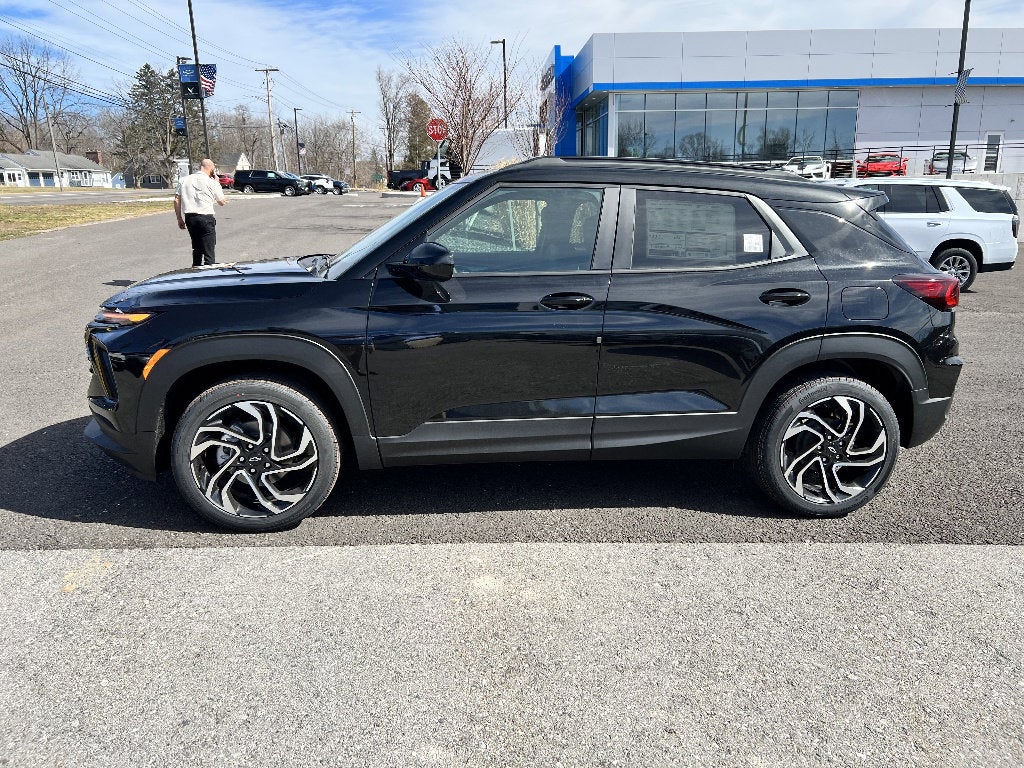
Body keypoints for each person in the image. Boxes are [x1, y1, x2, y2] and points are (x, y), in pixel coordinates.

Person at [174, 158, 227, 266]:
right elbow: (222, 202)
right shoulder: (212, 182)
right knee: (209, 251)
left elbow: (176, 199)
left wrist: (179, 218)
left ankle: (196, 271)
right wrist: (218, 184)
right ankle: (209, 276)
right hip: (206, 217)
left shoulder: (184, 180)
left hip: (190, 217)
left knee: (197, 248)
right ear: (211, 169)